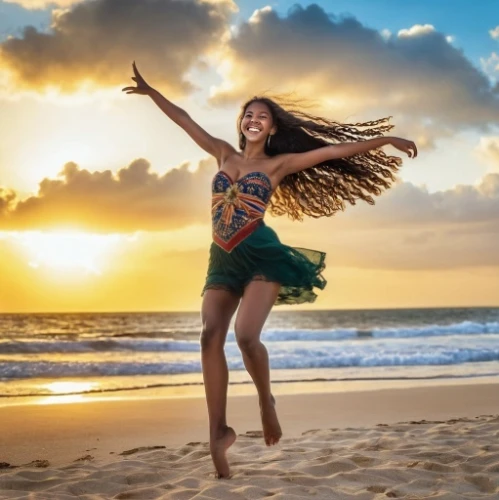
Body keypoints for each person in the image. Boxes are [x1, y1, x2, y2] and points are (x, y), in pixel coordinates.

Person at [123, 61, 417, 478]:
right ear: (241, 124)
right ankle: (219, 431)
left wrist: (385, 138)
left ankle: (266, 400)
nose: (254, 119)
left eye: (263, 116)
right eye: (249, 114)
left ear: (273, 129)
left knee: (245, 336)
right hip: (222, 257)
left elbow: (333, 152)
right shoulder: (222, 152)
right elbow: (185, 120)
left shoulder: (279, 165)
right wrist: (152, 92)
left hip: (262, 254)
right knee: (209, 336)